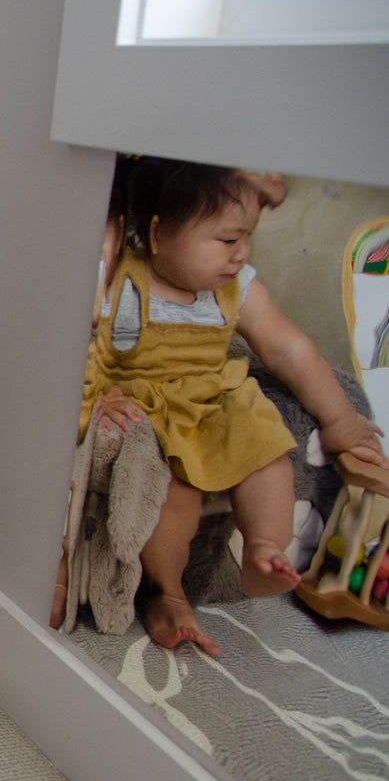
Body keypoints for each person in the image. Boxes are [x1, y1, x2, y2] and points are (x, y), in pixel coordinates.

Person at [77, 157, 387, 654]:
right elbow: (81, 349)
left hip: (213, 398)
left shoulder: (237, 287)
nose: (240, 254)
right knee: (172, 488)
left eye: (248, 238)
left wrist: (340, 420)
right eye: (226, 240)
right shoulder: (120, 284)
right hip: (147, 404)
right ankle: (166, 592)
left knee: (267, 450)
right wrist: (95, 404)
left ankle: (264, 548)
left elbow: (289, 349)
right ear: (158, 234)